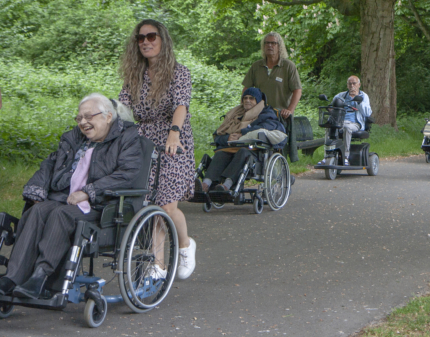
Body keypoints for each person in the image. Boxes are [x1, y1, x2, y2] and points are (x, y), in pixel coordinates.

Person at [0, 94, 142, 299]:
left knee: (61, 215)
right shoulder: (74, 137)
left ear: (108, 116)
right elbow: (49, 164)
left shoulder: (127, 138)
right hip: (64, 197)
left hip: (102, 206)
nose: (83, 122)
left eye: (88, 116)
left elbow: (127, 174)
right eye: (79, 118)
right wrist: (36, 189)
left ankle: (41, 276)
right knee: (38, 210)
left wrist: (88, 192)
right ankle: (13, 278)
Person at [118, 19, 197, 280]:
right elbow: (123, 110)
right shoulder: (134, 76)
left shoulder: (179, 72)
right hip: (144, 140)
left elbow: (181, 106)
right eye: (140, 38)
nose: (146, 42)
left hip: (174, 139)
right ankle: (158, 264)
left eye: (151, 36)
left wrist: (173, 134)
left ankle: (185, 245)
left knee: (166, 205)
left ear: (162, 40)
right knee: (150, 204)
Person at [198, 88, 286, 194]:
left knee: (243, 152)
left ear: (257, 101)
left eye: (251, 98)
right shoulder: (235, 115)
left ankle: (226, 186)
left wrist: (243, 133)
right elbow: (218, 136)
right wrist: (227, 138)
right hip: (232, 148)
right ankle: (205, 184)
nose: (247, 100)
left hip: (255, 151)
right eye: (245, 98)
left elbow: (267, 128)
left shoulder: (267, 114)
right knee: (221, 153)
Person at [242, 32, 302, 119]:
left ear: (279, 47)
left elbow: (297, 90)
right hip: (259, 115)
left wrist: (290, 110)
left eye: (273, 43)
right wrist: (243, 107)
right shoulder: (256, 66)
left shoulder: (288, 66)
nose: (269, 45)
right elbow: (246, 89)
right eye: (267, 43)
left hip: (280, 116)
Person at [321, 76, 372, 166]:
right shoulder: (340, 95)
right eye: (350, 84)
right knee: (328, 127)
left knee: (347, 128)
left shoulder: (363, 96)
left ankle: (345, 156)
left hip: (355, 123)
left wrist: (358, 101)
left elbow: (367, 113)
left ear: (359, 85)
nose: (352, 85)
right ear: (347, 85)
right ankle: (326, 156)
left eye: (354, 83)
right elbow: (332, 106)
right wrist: (330, 109)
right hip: (340, 122)